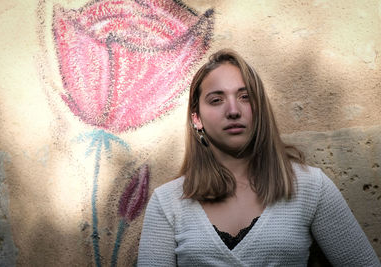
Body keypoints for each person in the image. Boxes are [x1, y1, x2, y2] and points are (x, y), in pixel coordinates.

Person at [137, 49, 380, 266]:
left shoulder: (310, 187)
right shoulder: (167, 202)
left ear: (260, 108)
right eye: (216, 100)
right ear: (196, 118)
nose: (233, 110)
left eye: (245, 97)